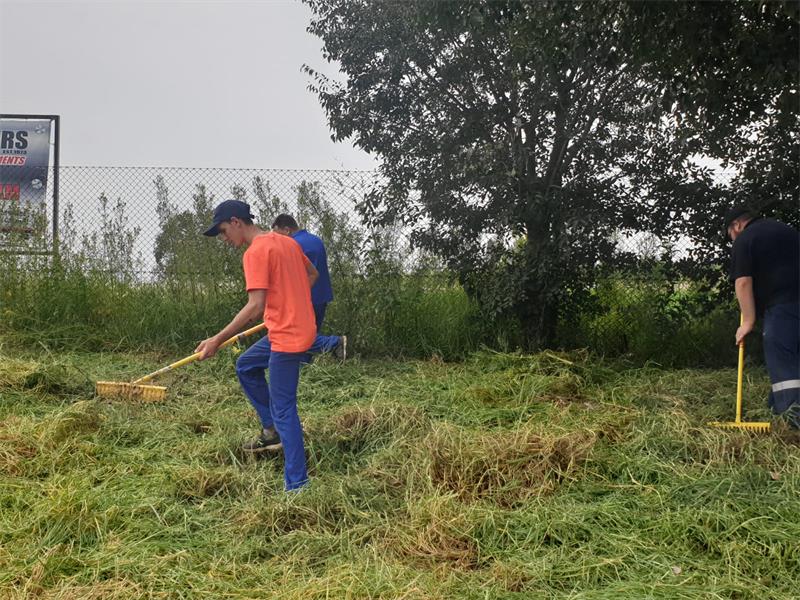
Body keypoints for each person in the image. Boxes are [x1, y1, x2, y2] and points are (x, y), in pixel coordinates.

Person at [195, 199, 343, 491]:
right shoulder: (287, 242)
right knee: (246, 365)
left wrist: (216, 340)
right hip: (296, 327)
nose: (224, 239)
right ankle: (270, 429)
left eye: (223, 231)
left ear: (236, 222)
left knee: (285, 408)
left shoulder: (255, 253)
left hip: (287, 337)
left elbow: (255, 306)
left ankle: (297, 484)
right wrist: (290, 298)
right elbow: (312, 275)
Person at [725, 204, 800, 428]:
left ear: (737, 225)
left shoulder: (745, 239)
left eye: (730, 234)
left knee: (782, 358)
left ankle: (793, 423)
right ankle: (775, 407)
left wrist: (748, 321)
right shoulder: (786, 230)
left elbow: (743, 282)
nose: (731, 239)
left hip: (784, 306)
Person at [271, 214, 334, 333]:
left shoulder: (292, 245)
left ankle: (334, 342)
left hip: (303, 301)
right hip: (321, 297)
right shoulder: (316, 240)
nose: (277, 240)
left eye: (278, 235)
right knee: (313, 333)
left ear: (287, 230)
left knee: (300, 337)